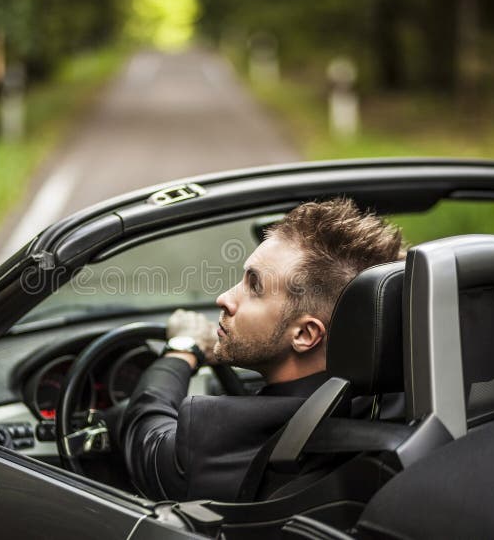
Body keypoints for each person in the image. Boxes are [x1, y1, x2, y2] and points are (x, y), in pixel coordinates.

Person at [119, 197, 403, 502]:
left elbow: (144, 442)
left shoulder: (221, 433)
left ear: (306, 334)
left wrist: (182, 349)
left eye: (254, 287)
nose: (224, 298)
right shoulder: (406, 402)